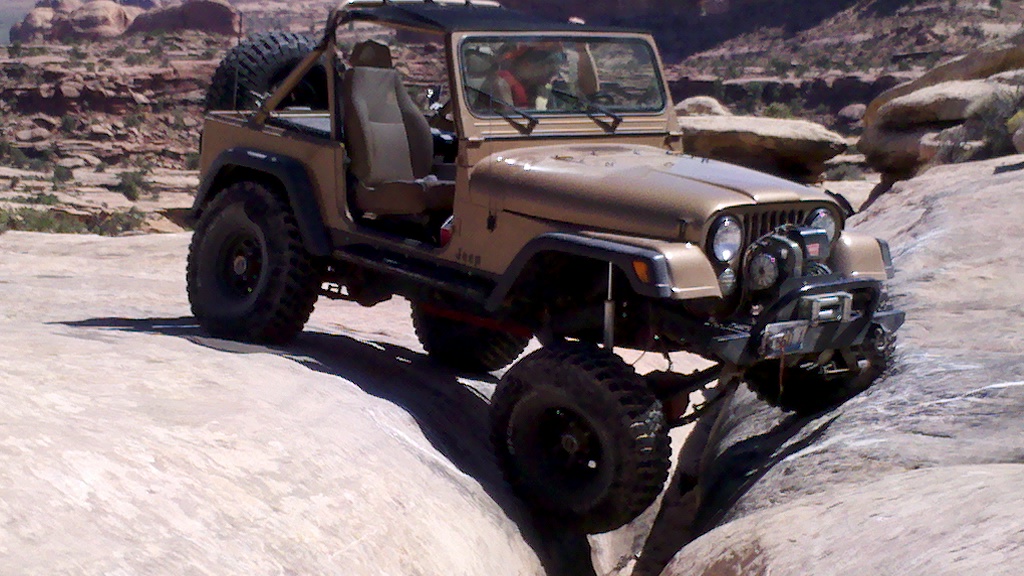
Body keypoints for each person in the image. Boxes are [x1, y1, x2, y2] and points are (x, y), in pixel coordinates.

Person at [485, 43, 565, 109]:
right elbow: (512, 116)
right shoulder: (503, 83)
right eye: (542, 64)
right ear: (524, 63)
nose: (546, 71)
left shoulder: (548, 86)